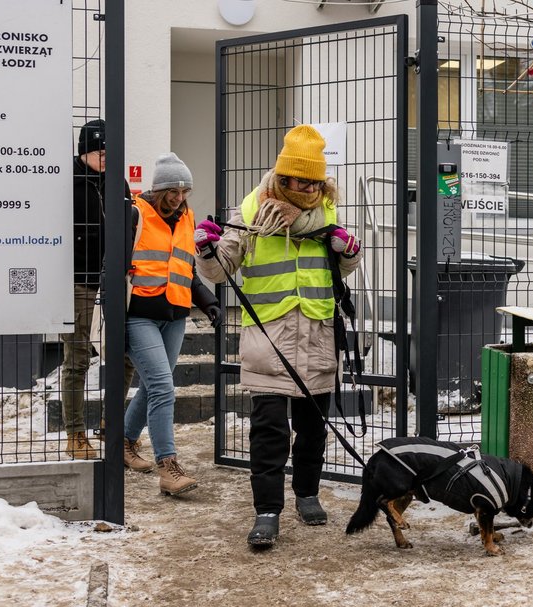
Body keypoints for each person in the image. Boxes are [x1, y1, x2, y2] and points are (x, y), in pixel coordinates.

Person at [193, 125, 363, 547]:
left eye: (314, 182)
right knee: (268, 431)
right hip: (269, 338)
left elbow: (335, 270)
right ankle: (267, 512)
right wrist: (207, 249)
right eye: (299, 180)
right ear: (282, 177)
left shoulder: (327, 213)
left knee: (314, 429)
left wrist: (349, 254)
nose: (307, 188)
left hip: (318, 336)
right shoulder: (252, 211)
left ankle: (307, 493)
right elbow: (219, 271)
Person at [123, 152, 222, 495]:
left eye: (184, 192)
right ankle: (169, 467)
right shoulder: (136, 214)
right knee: (163, 386)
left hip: (176, 315)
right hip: (139, 315)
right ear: (158, 189)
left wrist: (207, 300)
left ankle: (122, 442)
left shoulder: (187, 218)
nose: (179, 198)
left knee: (154, 386)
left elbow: (186, 269)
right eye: (173, 191)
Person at [62, 119, 130, 460]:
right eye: (99, 151)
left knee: (124, 354)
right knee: (77, 360)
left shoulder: (118, 184)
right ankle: (75, 434)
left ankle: (110, 425)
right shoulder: (67, 184)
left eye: (109, 151)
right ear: (83, 150)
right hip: (78, 280)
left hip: (116, 281)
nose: (105, 157)